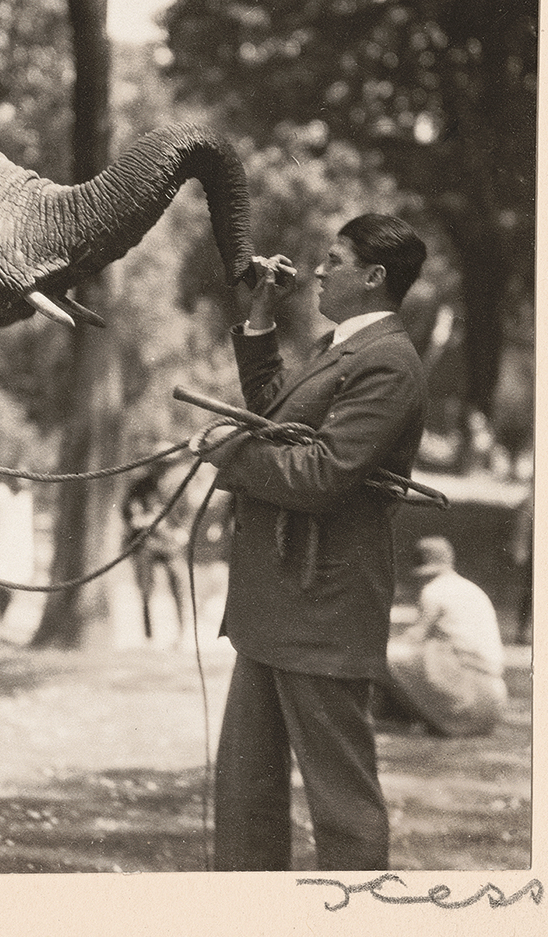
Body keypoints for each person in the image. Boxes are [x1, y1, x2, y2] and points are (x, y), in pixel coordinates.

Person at [190, 214, 428, 872]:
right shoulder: (340, 347)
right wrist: (261, 316)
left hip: (323, 609)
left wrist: (230, 454)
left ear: (373, 276)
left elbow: (323, 473)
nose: (318, 271)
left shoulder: (389, 361)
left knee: (341, 806)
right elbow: (278, 417)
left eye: (334, 260)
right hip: (275, 604)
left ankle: (361, 913)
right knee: (246, 794)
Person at [384, 536, 507, 736]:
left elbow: (415, 637)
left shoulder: (433, 590)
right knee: (430, 652)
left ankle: (397, 716)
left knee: (386, 654)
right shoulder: (471, 588)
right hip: (495, 697)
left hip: (467, 695)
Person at [122, 457, 189, 642]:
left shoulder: (177, 485)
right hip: (146, 542)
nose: (161, 469)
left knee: (178, 584)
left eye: (165, 465)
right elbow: (131, 515)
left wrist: (182, 531)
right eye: (158, 465)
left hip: (170, 542)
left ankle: (181, 633)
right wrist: (146, 520)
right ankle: (149, 635)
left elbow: (187, 513)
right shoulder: (140, 486)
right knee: (145, 587)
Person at [0, 479, 35, 630]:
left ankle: (5, 621)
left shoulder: (26, 496)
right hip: (1, 543)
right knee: (0, 583)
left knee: (15, 582)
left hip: (18, 547)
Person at [510, 488, 533, 645]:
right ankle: (522, 630)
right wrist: (520, 547)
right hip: (535, 552)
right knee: (530, 590)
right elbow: (522, 524)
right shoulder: (531, 500)